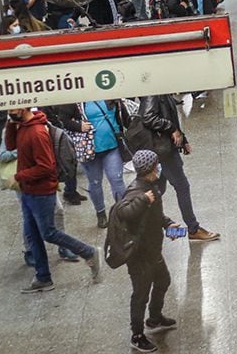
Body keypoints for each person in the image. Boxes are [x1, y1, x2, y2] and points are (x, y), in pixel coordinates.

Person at [5, 107, 100, 293]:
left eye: (13, 107)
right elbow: (9, 146)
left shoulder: (37, 132)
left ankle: (89, 252)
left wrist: (18, 176)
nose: (10, 110)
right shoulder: (23, 126)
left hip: (41, 192)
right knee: (32, 235)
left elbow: (46, 167)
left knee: (48, 233)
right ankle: (43, 277)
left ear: (24, 107)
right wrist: (10, 123)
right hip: (28, 191)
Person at [118, 150, 180, 353]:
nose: (159, 168)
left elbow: (155, 216)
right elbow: (123, 212)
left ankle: (154, 318)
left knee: (163, 281)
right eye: (156, 165)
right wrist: (143, 200)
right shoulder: (137, 192)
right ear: (151, 169)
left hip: (153, 250)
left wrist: (168, 224)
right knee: (140, 295)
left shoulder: (151, 188)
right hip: (139, 256)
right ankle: (136, 335)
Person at [138, 94, 220, 241]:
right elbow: (148, 117)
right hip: (164, 151)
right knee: (181, 186)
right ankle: (193, 229)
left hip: (165, 148)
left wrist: (183, 139)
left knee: (157, 191)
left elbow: (171, 117)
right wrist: (172, 129)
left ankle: (145, 227)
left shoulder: (163, 91)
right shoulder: (153, 94)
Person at [81, 100, 128, 228]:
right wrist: (77, 126)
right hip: (90, 150)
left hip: (112, 146)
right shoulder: (78, 99)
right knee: (95, 182)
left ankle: (124, 213)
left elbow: (124, 117)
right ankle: (100, 213)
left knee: (116, 179)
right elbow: (65, 119)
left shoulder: (109, 94)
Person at [42, 104, 88, 206]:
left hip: (59, 132)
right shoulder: (47, 105)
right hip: (55, 134)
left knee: (70, 162)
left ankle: (70, 191)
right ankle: (69, 192)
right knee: (66, 162)